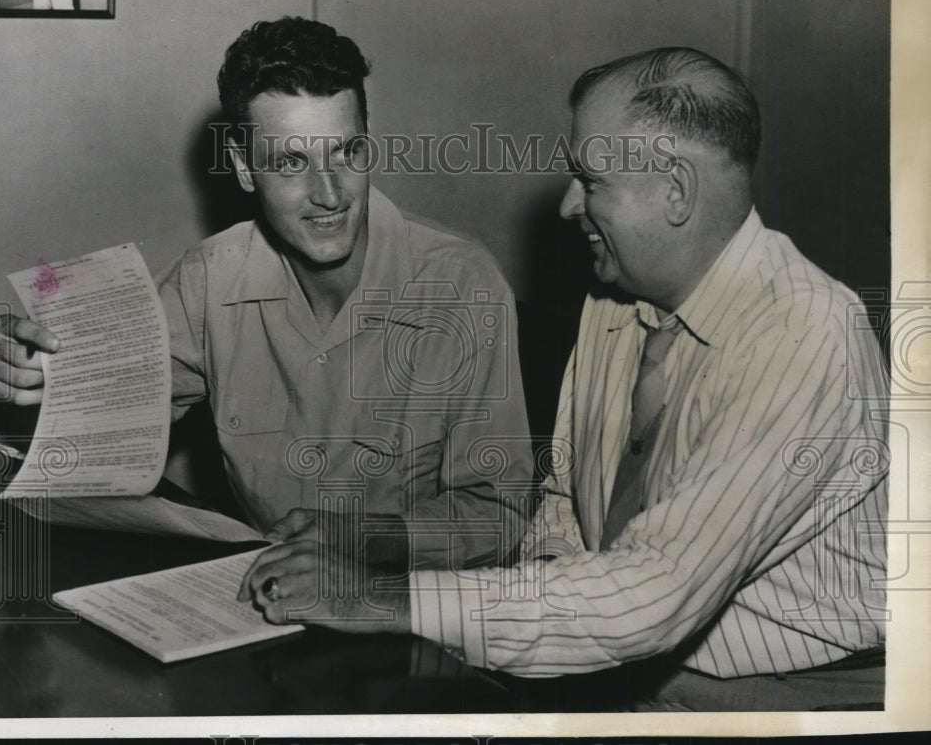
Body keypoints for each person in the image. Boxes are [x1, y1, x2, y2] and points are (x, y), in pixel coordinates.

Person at [241, 47, 889, 710]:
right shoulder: (614, 298)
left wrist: (378, 597)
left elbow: (652, 592)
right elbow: (561, 510)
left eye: (590, 179)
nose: (566, 205)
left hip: (794, 703)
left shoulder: (803, 333)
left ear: (676, 190)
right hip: (622, 674)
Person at [0, 17, 532, 570]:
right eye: (292, 162)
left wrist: (364, 539)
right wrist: (33, 372)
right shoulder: (208, 278)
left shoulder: (461, 284)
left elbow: (499, 513)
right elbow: (96, 416)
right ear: (245, 168)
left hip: (409, 614)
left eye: (347, 152)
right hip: (260, 603)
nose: (330, 193)